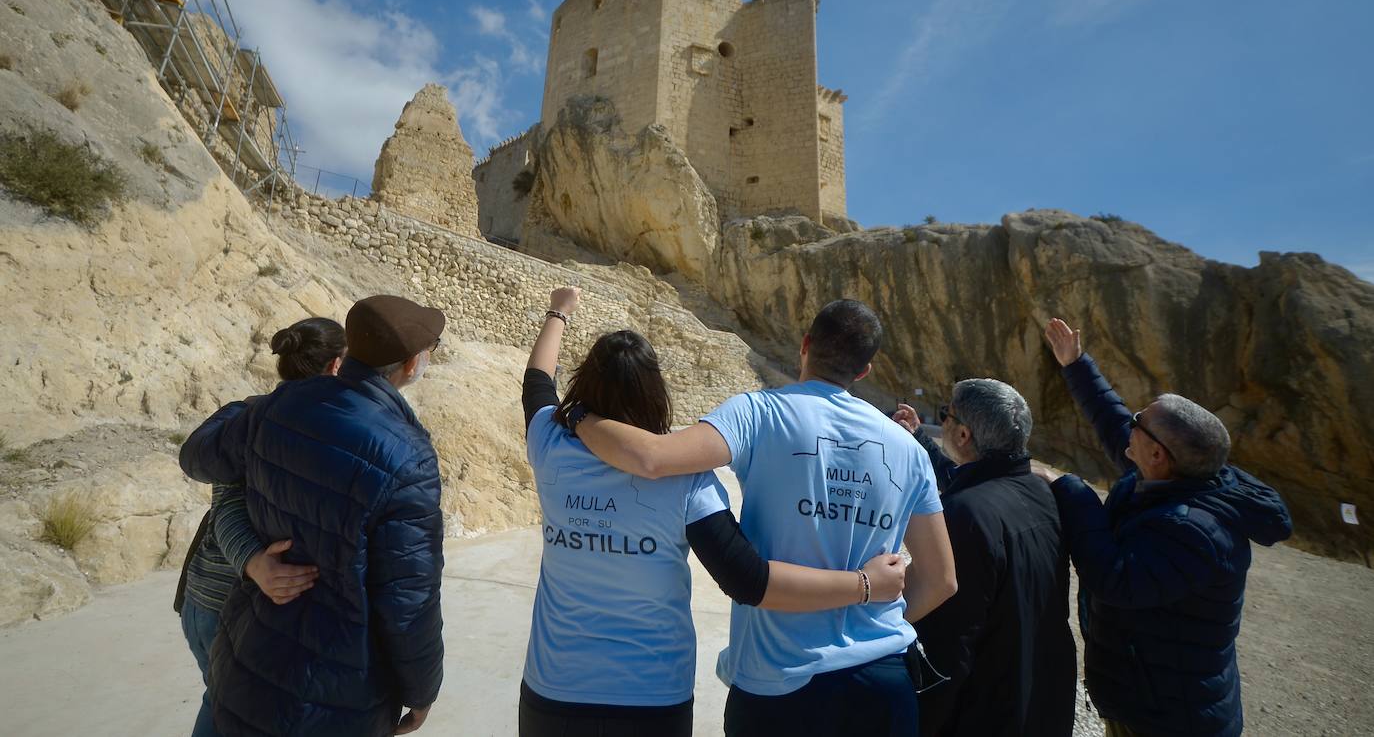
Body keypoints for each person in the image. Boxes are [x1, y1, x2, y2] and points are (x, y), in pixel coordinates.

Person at [519, 288, 909, 737]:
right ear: (655, 392)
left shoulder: (549, 444)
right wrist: (865, 584)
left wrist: (559, 311)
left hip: (553, 690)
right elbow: (750, 580)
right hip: (652, 698)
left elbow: (537, 382)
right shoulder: (687, 481)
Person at [180, 295, 448, 737]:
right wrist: (421, 689)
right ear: (410, 364)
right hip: (337, 689)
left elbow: (199, 459)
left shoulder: (272, 407)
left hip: (252, 653)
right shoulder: (408, 456)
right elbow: (408, 597)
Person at [1035, 318, 1293, 737]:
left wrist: (1070, 489)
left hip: (1166, 716)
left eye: (1140, 421)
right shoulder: (1173, 476)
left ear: (1156, 454)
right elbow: (1113, 421)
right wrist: (1076, 364)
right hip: (1152, 694)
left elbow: (1113, 578)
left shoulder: (1195, 532)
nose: (1130, 424)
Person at [174, 318, 343, 737]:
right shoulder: (266, 423)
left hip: (201, 600)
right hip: (235, 605)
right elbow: (227, 504)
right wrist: (254, 563)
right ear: (337, 367)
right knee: (229, 711)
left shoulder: (245, 414)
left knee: (223, 704)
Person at [892, 379, 1075, 737]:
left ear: (962, 435)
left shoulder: (966, 514)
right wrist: (920, 438)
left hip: (988, 711)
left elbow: (948, 643)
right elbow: (968, 478)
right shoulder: (1041, 491)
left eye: (946, 415)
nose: (942, 420)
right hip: (1043, 697)